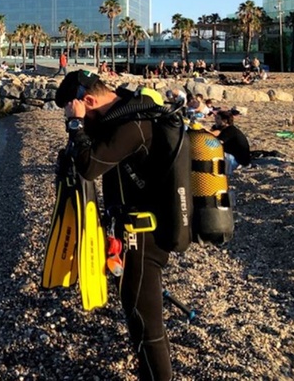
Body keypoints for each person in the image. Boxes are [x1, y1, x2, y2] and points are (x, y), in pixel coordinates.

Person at [55, 70, 180, 381]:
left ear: (88, 101)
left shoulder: (131, 125)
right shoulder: (126, 112)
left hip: (143, 236)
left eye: (83, 113)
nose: (83, 121)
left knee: (144, 321)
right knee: (141, 316)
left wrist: (74, 126)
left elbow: (90, 166)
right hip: (135, 231)